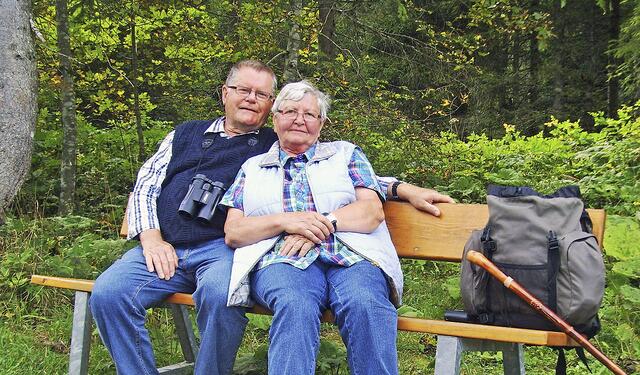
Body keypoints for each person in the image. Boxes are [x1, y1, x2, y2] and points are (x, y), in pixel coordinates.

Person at [89, 60, 453, 375]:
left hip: (221, 251)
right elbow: (146, 187)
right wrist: (151, 238)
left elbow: (348, 175)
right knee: (107, 294)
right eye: (243, 89)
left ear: (270, 107)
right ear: (225, 93)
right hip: (164, 244)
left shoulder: (275, 143)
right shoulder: (189, 137)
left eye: (261, 94)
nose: (251, 98)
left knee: (225, 295)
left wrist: (403, 188)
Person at [222, 80, 402, 375]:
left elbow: (371, 211)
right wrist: (286, 221)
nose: (299, 119)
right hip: (283, 258)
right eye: (290, 111)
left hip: (351, 255)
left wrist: (322, 223)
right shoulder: (252, 168)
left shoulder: (346, 154)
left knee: (366, 304)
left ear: (322, 123)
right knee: (295, 304)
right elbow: (235, 232)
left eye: (309, 114)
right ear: (276, 118)